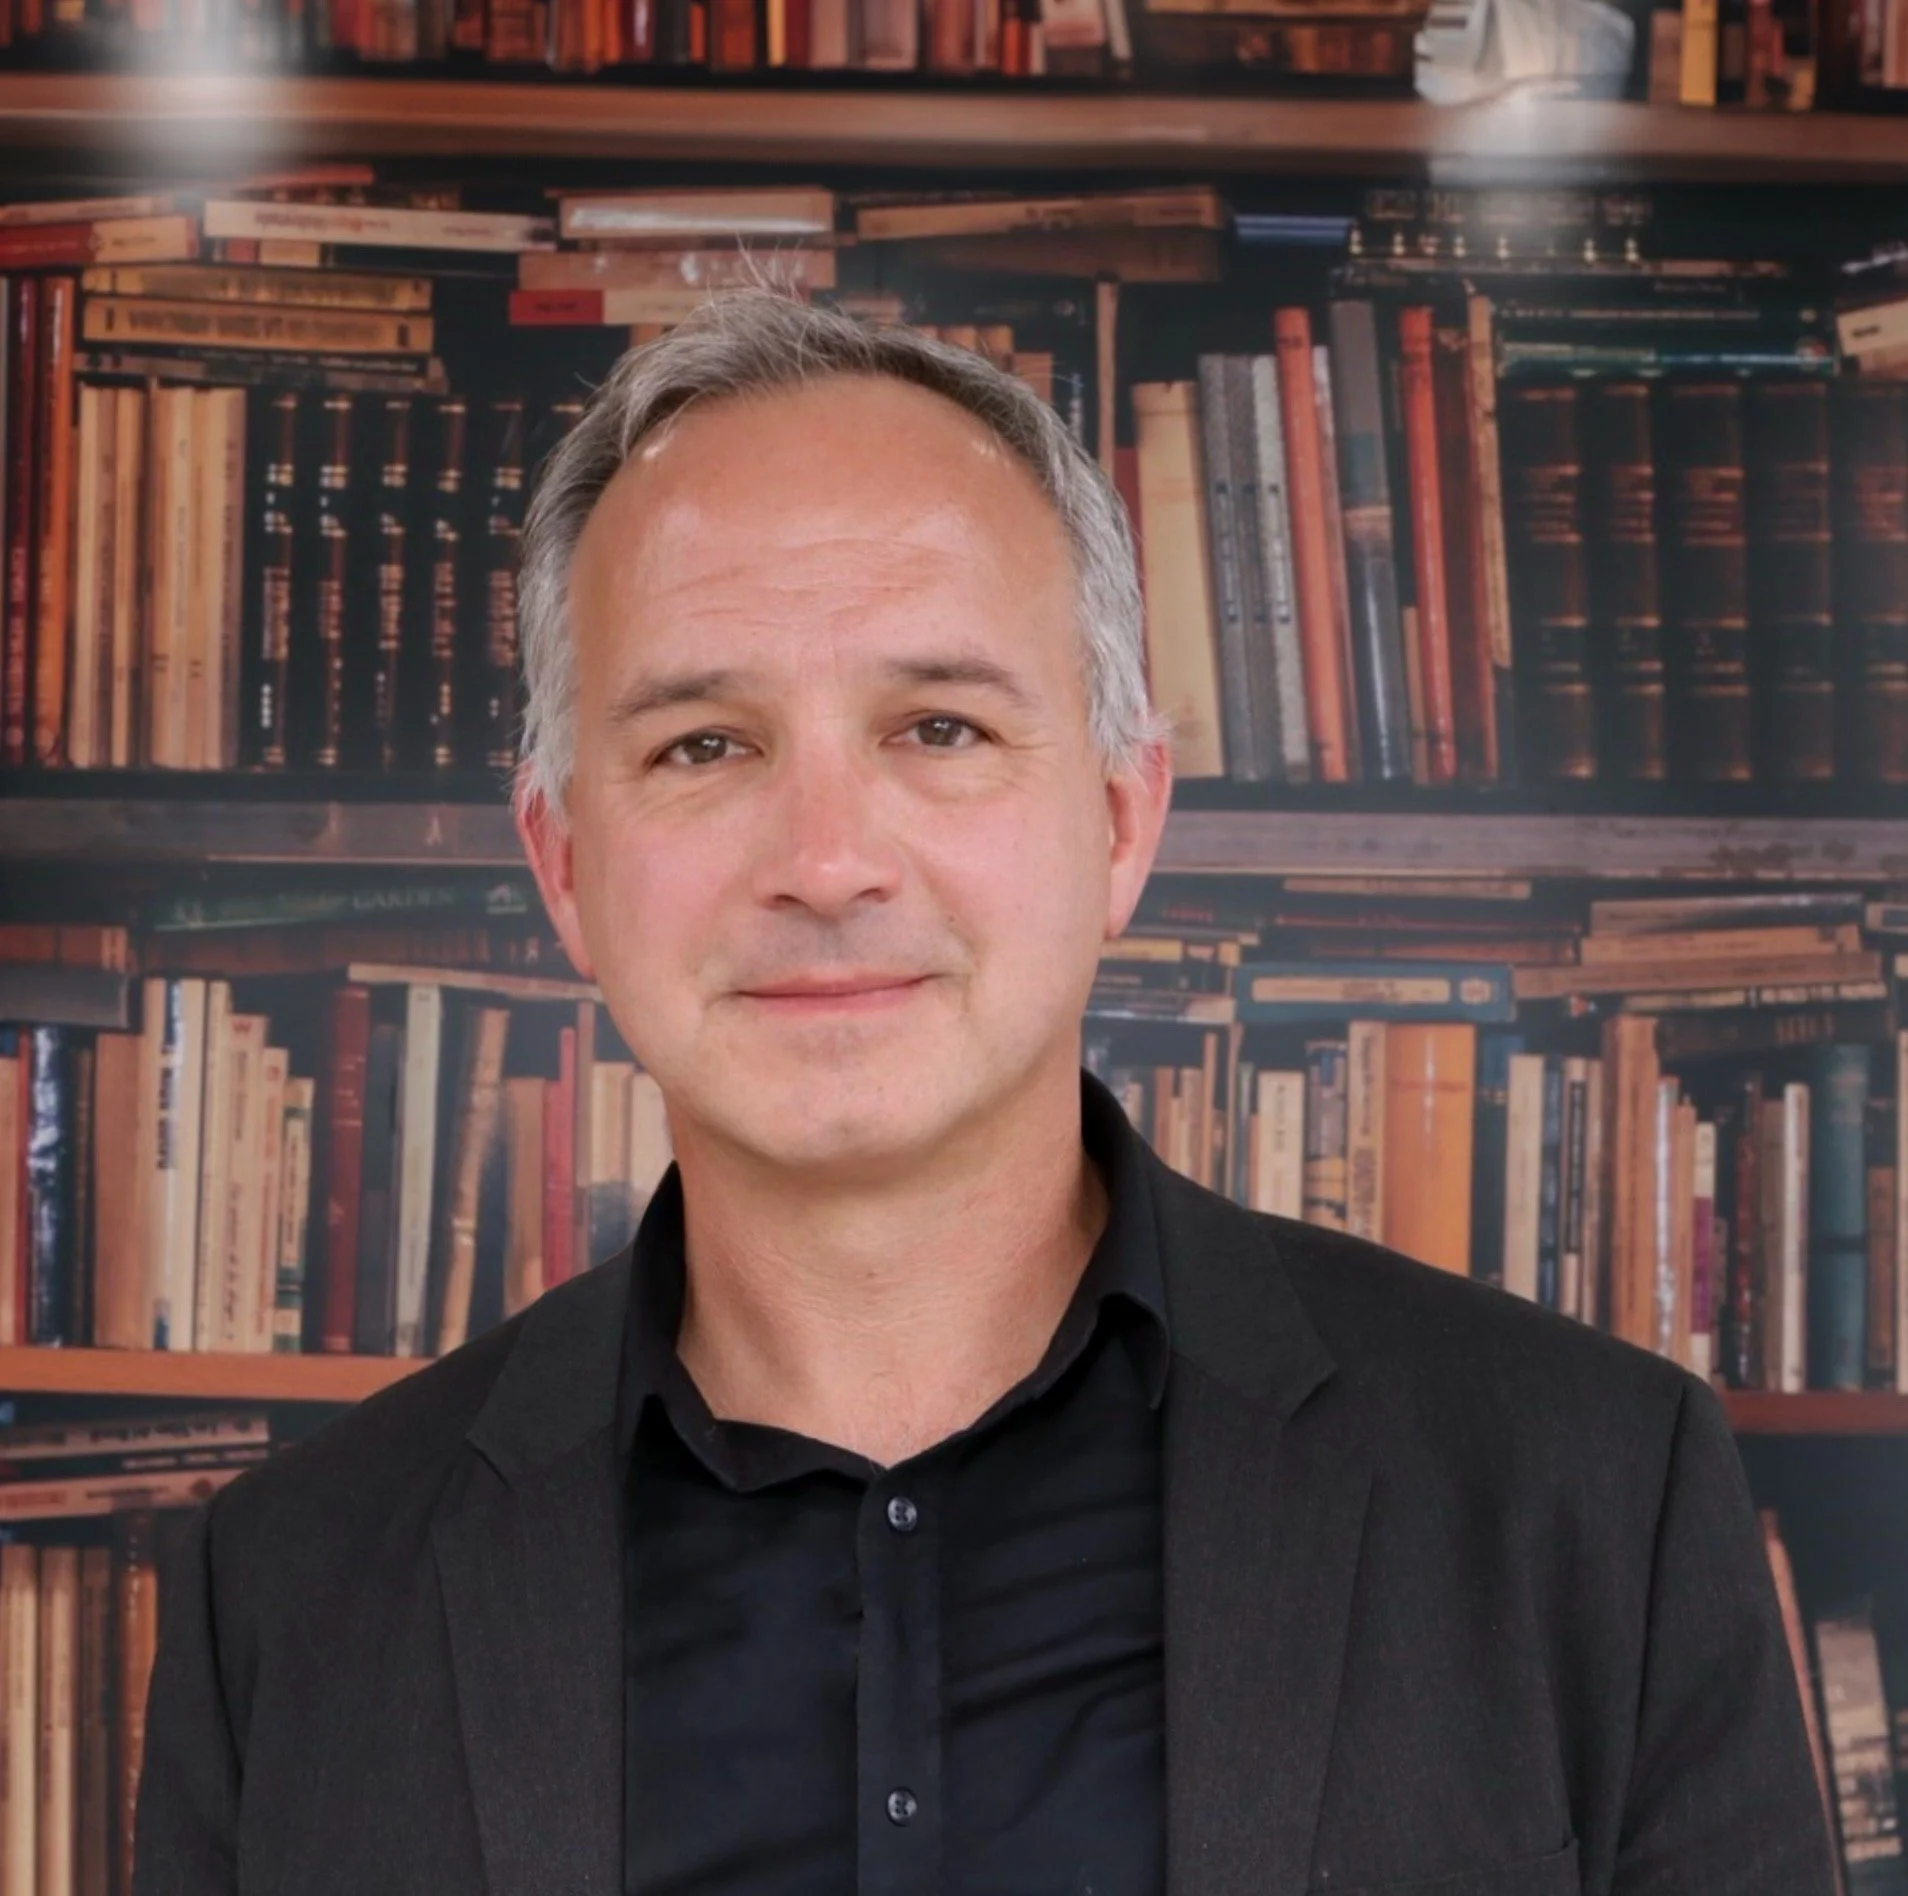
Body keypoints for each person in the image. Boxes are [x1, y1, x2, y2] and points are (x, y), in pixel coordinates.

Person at [134, 285, 1838, 1896]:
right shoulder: (280, 1599)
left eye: (939, 727)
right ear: (566, 868)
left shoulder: (1597, 1501)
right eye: (702, 746)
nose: (825, 860)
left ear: (1119, 819)